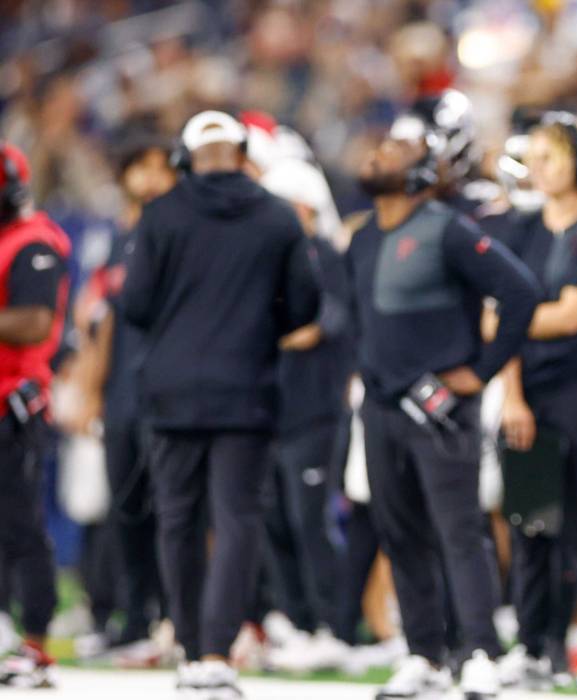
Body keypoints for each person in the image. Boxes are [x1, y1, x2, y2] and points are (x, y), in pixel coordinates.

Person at [120, 111, 321, 698]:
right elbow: (304, 306)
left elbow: (133, 305)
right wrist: (258, 325)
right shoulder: (278, 216)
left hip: (172, 392)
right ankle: (216, 653)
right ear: (242, 155)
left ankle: (188, 649)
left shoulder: (160, 214)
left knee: (178, 521)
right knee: (237, 521)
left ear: (186, 159)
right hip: (247, 390)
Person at [347, 113, 538, 700]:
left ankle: (480, 650)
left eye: (397, 148)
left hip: (440, 410)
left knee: (459, 532)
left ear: (422, 172)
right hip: (380, 407)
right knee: (399, 534)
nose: (380, 151)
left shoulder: (448, 229)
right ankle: (425, 656)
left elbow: (521, 291)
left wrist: (479, 372)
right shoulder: (362, 236)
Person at [491, 113, 577, 694]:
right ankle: (534, 644)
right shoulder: (518, 229)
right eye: (534, 158)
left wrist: (516, 322)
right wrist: (513, 396)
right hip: (528, 392)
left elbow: (573, 313)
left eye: (550, 156)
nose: (539, 168)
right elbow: (493, 317)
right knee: (529, 525)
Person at [66, 134, 178, 665]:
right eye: (142, 167)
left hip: (170, 391)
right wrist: (91, 389)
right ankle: (134, 619)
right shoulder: (119, 238)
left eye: (161, 167)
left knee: (175, 512)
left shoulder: (182, 233)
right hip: (124, 392)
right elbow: (103, 319)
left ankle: (176, 618)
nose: (150, 178)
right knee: (127, 510)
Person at [258, 157, 356, 673]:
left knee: (310, 519)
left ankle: (333, 626)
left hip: (315, 409)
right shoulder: (276, 257)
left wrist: (260, 335)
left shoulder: (324, 253)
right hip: (273, 409)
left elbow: (324, 321)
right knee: (274, 518)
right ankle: (297, 621)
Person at [0, 142, 70, 689]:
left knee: (22, 526)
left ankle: (37, 644)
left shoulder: (33, 243)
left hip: (14, 405)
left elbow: (33, 324)